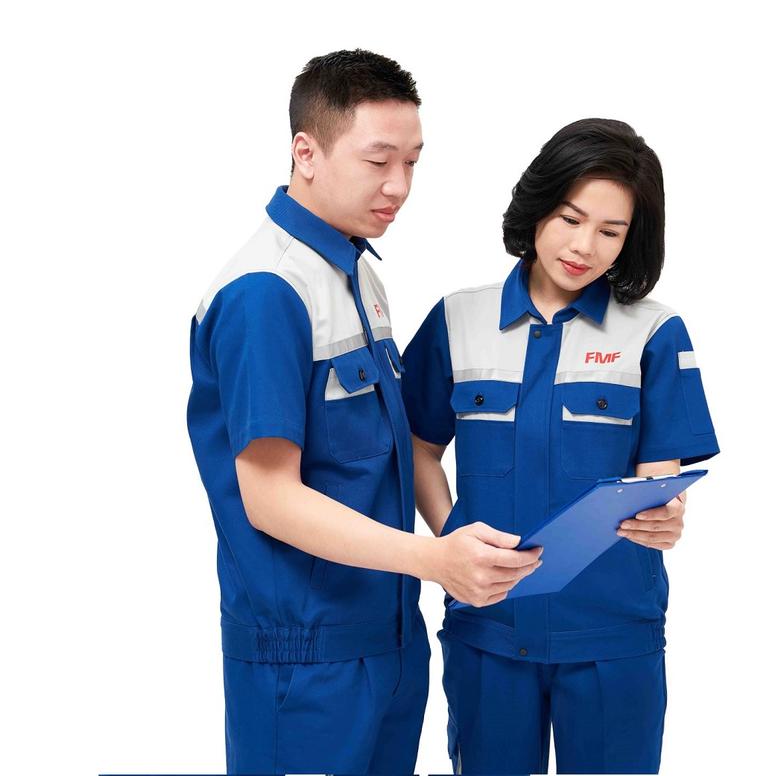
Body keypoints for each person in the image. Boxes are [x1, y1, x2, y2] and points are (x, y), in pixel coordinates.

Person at [186, 49, 543, 776]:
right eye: (379, 161)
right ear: (306, 152)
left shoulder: (356, 274)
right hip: (305, 662)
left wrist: (455, 541)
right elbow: (269, 498)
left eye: (412, 162)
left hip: (386, 640)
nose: (399, 185)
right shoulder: (266, 293)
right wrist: (434, 560)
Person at [401, 118, 720, 775]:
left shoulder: (654, 333)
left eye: (611, 231)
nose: (584, 246)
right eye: (571, 219)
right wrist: (452, 538)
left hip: (611, 634)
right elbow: (416, 447)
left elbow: (657, 481)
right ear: (538, 205)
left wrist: (665, 516)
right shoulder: (457, 319)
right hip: (488, 627)